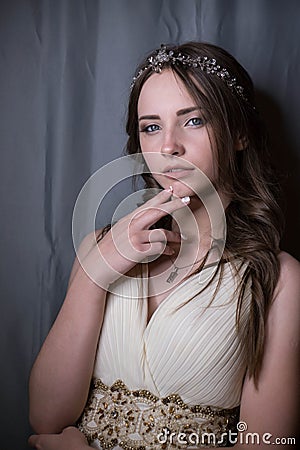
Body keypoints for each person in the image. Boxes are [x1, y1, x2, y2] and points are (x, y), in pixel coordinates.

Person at [28, 42, 300, 449]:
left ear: (240, 133)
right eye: (151, 126)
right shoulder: (100, 245)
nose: (168, 146)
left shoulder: (278, 280)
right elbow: (46, 418)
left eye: (193, 121)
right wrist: (93, 274)